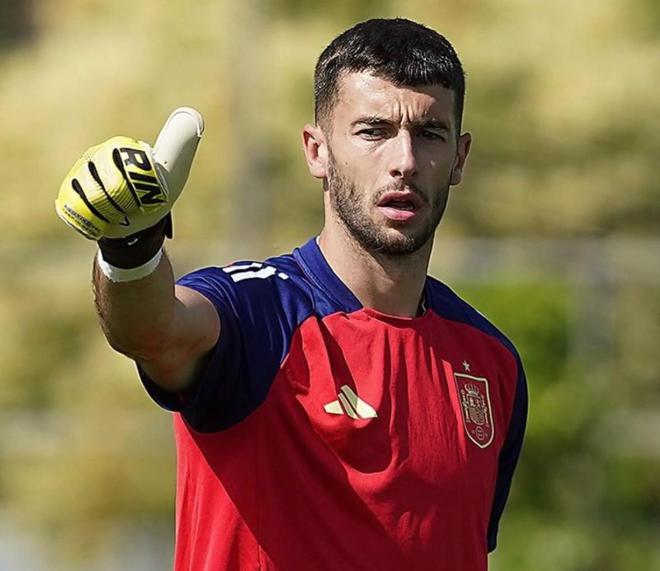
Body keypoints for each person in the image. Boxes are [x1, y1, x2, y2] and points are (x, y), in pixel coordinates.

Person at [55, 17, 527, 571]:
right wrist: (132, 248)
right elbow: (151, 330)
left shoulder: (490, 362)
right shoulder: (256, 313)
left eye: (429, 134)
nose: (404, 161)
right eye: (373, 131)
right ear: (317, 151)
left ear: (460, 158)